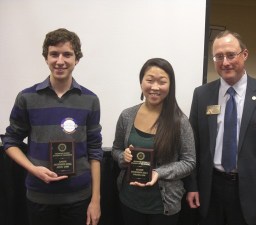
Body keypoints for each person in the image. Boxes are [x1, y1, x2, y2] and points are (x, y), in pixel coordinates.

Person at [185, 30, 256, 225]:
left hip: (250, 191)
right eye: (218, 56)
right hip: (209, 189)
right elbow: (193, 146)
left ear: (245, 54)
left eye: (231, 55)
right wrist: (192, 185)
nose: (225, 62)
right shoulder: (202, 95)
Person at [1, 28, 103, 225]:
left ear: (77, 59)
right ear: (46, 58)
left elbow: (95, 151)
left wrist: (96, 200)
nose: (60, 60)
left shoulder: (90, 100)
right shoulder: (27, 98)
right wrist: (33, 169)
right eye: (54, 54)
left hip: (79, 197)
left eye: (67, 54)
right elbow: (10, 141)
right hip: (40, 196)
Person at [111, 58, 196, 225]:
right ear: (141, 81)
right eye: (149, 80)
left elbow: (189, 162)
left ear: (170, 85)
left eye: (162, 82)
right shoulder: (127, 116)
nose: (155, 87)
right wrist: (123, 157)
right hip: (129, 200)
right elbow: (115, 150)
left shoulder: (180, 121)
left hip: (163, 206)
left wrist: (159, 172)